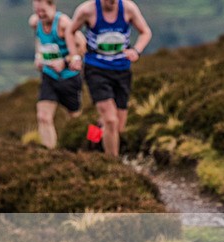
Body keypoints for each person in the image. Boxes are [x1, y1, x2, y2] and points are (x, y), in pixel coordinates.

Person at [66, 0, 152, 157]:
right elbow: (70, 31)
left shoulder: (128, 8)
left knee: (118, 127)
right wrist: (75, 56)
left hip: (122, 70)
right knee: (111, 120)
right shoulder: (87, 10)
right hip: (96, 70)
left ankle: (93, 138)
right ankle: (112, 164)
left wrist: (136, 50)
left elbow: (145, 32)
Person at [29, 0, 86, 149]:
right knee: (43, 116)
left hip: (69, 78)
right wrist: (38, 56)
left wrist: (65, 61)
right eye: (37, 11)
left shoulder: (63, 24)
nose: (40, 14)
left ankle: (83, 150)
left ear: (52, 6)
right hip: (49, 76)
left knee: (75, 119)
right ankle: (49, 153)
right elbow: (39, 39)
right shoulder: (35, 22)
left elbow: (82, 45)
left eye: (43, 11)